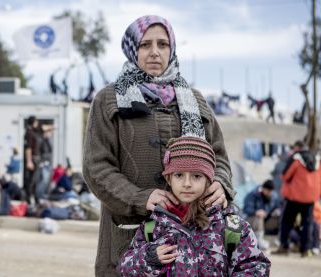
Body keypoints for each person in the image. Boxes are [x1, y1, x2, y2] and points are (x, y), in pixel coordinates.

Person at [82, 15, 234, 275]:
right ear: (132, 49)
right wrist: (141, 198)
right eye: (145, 45)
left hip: (193, 235)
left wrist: (221, 183)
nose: (154, 53)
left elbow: (218, 156)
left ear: (171, 49)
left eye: (162, 44)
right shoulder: (109, 100)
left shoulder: (194, 100)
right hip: (128, 233)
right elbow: (96, 168)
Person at [117, 136, 270, 276]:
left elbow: (256, 267)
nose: (187, 183)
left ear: (209, 180)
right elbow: (125, 268)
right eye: (179, 175)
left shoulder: (231, 227)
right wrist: (149, 258)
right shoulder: (153, 227)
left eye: (196, 176)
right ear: (169, 179)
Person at [273, 140, 321, 257]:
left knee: (286, 222)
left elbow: (285, 175)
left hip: (295, 197)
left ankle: (284, 246)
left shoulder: (296, 159)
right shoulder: (317, 160)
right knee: (308, 224)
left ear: (297, 148)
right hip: (310, 198)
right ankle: (305, 250)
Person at [243, 179, 281, 250]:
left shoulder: (274, 196)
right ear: (263, 188)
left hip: (266, 220)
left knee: (279, 217)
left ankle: (278, 240)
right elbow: (246, 209)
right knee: (259, 216)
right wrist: (256, 212)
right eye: (268, 191)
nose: (270, 193)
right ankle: (258, 240)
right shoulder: (252, 195)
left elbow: (279, 206)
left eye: (271, 192)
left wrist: (277, 211)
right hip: (252, 220)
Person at [23, 115, 41, 205]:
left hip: (36, 159)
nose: (37, 124)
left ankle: (34, 197)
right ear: (33, 122)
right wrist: (29, 161)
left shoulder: (34, 132)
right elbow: (28, 148)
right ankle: (29, 198)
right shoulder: (29, 133)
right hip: (32, 159)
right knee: (31, 181)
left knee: (35, 180)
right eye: (36, 122)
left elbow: (43, 128)